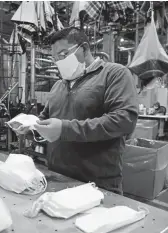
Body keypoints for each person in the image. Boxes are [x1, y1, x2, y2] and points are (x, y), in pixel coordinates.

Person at [17, 27, 138, 195]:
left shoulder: (114, 74)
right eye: (55, 58)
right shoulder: (59, 85)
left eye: (63, 54)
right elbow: (45, 120)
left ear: (84, 48)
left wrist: (64, 129)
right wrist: (31, 128)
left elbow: (124, 120)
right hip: (57, 178)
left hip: (97, 184)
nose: (59, 62)